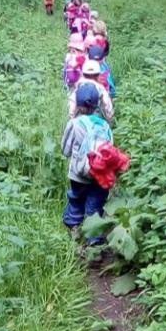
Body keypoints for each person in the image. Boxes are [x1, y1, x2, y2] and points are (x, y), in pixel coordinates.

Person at [62, 83, 112, 243]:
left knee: (76, 199)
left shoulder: (75, 124)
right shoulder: (104, 125)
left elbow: (65, 149)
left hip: (78, 174)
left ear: (77, 103)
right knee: (95, 208)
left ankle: (74, 227)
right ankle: (95, 244)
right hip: (100, 175)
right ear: (97, 104)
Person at [69, 59, 114, 123]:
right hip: (96, 122)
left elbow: (71, 110)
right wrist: (109, 122)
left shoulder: (78, 87)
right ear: (98, 75)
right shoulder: (100, 88)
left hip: (80, 122)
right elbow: (108, 109)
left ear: (83, 74)